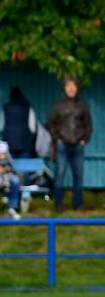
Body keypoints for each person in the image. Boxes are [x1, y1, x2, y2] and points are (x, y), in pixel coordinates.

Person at [47, 78, 93, 212]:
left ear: (77, 88)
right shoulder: (57, 105)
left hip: (78, 145)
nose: (71, 88)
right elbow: (51, 124)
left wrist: (85, 138)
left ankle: (78, 204)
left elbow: (88, 124)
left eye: (74, 86)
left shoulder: (82, 105)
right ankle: (58, 204)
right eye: (68, 86)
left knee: (78, 176)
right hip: (62, 145)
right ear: (65, 88)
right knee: (60, 174)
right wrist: (57, 139)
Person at [0, 87, 37, 158]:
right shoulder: (27, 106)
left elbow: (1, 126)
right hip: (25, 142)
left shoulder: (6, 107)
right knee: (24, 166)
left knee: (10, 166)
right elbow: (32, 127)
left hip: (9, 142)